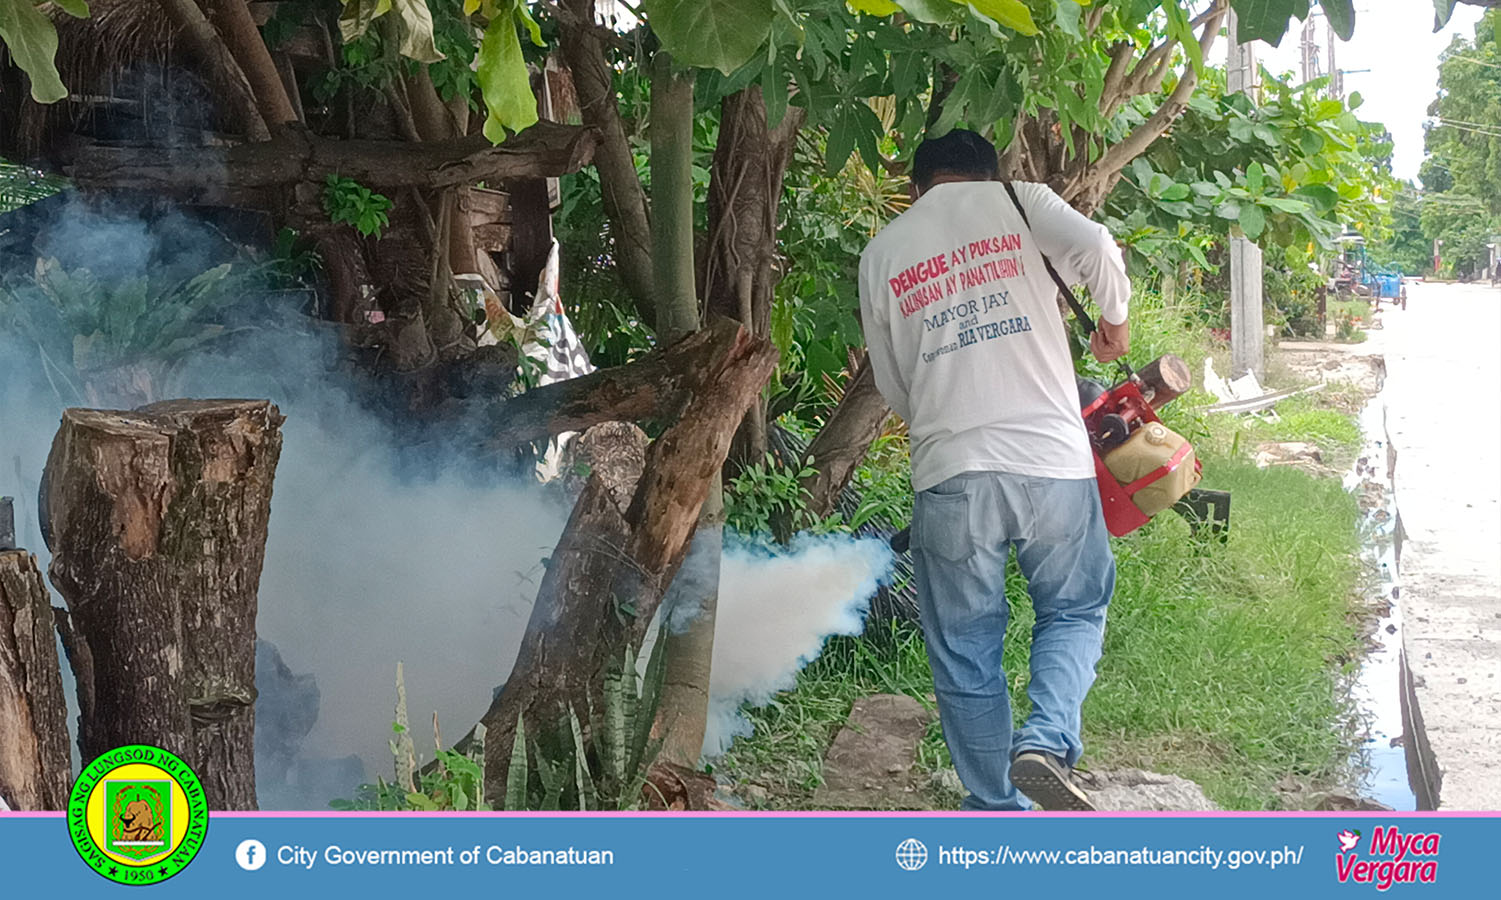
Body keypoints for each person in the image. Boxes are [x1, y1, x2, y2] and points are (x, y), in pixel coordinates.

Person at [857, 129, 1131, 811]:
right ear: (988, 174)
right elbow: (1096, 245)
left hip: (950, 473)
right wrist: (1115, 324)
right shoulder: (1019, 200)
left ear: (915, 186)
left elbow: (894, 388)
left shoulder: (883, 251)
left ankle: (997, 815)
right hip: (1051, 464)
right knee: (1071, 610)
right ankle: (1043, 738)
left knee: (964, 653)